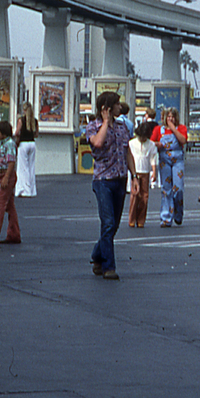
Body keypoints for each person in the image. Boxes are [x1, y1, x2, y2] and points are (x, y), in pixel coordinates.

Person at [83, 90, 128, 279]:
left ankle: (97, 255)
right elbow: (99, 143)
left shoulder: (122, 127)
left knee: (114, 225)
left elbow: (127, 152)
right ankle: (109, 266)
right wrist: (105, 122)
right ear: (107, 108)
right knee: (107, 222)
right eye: (117, 104)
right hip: (103, 180)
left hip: (120, 178)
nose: (120, 107)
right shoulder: (93, 127)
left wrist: (135, 176)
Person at [152, 106, 188, 226]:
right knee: (166, 189)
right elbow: (152, 143)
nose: (171, 118)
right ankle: (166, 217)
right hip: (164, 161)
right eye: (169, 116)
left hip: (178, 160)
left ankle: (178, 212)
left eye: (173, 116)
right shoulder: (158, 130)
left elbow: (183, 140)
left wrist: (173, 128)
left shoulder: (181, 128)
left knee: (178, 188)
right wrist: (159, 144)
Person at [126, 122, 157, 228]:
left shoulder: (151, 144)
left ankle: (141, 220)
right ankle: (132, 219)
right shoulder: (131, 143)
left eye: (145, 137)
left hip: (145, 172)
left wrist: (154, 172)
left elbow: (153, 158)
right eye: (141, 137)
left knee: (144, 197)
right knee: (134, 195)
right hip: (135, 171)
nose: (143, 139)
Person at [14, 101, 38, 198]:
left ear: (24, 110)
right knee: (31, 167)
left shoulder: (21, 120)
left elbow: (16, 132)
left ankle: (24, 190)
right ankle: (32, 190)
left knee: (23, 168)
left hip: (23, 144)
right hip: (32, 143)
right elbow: (36, 134)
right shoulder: (34, 121)